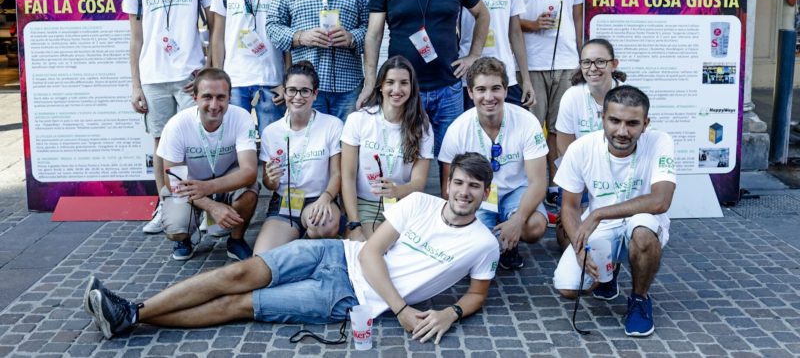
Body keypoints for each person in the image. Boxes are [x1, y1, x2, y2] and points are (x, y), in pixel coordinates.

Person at [84, 153, 500, 345]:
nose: (464, 192)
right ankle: (132, 313)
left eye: (474, 187)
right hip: (336, 255)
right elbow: (372, 253)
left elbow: (477, 292)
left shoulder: (483, 243)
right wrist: (404, 310)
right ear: (449, 184)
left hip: (345, 297)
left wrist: (451, 312)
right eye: (459, 183)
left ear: (485, 193)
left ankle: (130, 318)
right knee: (235, 274)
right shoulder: (418, 203)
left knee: (240, 305)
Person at [360, 0, 491, 194]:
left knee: (453, 162)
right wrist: (371, 81)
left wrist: (473, 56)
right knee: (402, 162)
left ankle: (450, 215)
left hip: (447, 88)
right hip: (403, 91)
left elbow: (482, 15)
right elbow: (373, 33)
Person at [553, 85, 676, 338]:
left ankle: (640, 300)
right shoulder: (581, 148)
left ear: (645, 123)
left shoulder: (660, 141)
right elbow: (570, 206)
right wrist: (580, 249)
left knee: (641, 232)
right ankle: (608, 275)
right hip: (603, 226)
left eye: (632, 123)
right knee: (567, 287)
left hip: (642, 220)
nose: (622, 131)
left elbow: (661, 200)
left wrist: (598, 213)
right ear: (602, 119)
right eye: (614, 121)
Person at [121, 0, 214, 235]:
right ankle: (165, 204)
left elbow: (214, 29)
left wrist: (207, 74)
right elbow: (135, 40)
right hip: (154, 77)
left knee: (197, 143)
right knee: (162, 145)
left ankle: (202, 206)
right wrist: (135, 85)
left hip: (190, 78)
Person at [438, 57, 549, 271]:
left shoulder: (526, 121)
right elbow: (447, 188)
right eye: (481, 89)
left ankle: (509, 236)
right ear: (470, 93)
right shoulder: (458, 128)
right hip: (478, 195)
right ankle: (499, 240)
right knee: (474, 247)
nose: (489, 97)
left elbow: (538, 183)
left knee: (533, 227)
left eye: (495, 88)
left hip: (516, 190)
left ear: (506, 90)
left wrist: (517, 220)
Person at [507, 0, 583, 199]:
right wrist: (533, 24)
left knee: (559, 128)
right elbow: (510, 20)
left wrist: (580, 58)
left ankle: (555, 185)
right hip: (531, 64)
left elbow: (577, 19)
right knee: (530, 128)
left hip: (566, 62)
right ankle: (529, 184)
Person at [155, 68, 259, 261]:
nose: (214, 105)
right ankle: (185, 237)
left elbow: (249, 171)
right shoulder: (176, 125)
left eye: (221, 97)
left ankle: (236, 240)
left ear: (229, 97)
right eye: (207, 97)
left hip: (223, 180)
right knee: (177, 228)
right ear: (195, 97)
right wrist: (211, 205)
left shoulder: (242, 117)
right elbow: (173, 182)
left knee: (249, 191)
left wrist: (209, 187)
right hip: (188, 183)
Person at [210, 0, 287, 137]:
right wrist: (219, 79)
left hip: (271, 80)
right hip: (235, 81)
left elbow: (287, 35)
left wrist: (286, 80)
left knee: (273, 148)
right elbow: (217, 35)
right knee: (234, 146)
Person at [254, 62, 344, 253]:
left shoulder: (332, 125)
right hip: (284, 202)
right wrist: (271, 179)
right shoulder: (271, 132)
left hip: (318, 198)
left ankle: (307, 244)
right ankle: (297, 239)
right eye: (292, 90)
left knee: (323, 226)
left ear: (315, 94)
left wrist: (326, 198)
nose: (297, 97)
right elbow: (268, 185)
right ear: (284, 92)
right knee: (262, 257)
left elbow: (337, 174)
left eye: (305, 91)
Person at [341, 56, 434, 240]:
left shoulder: (422, 126)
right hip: (366, 204)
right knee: (371, 249)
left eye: (404, 83)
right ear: (380, 86)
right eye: (390, 82)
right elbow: (348, 176)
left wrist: (396, 191)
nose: (397, 89)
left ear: (412, 88)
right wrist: (354, 222)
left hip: (402, 203)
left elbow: (418, 182)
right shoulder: (359, 120)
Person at [553, 38, 626, 250]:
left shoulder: (628, 95)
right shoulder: (572, 96)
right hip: (582, 176)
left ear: (614, 64)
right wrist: (588, 177)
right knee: (569, 242)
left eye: (600, 62)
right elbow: (563, 146)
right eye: (586, 62)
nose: (592, 68)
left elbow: (637, 146)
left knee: (616, 237)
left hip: (619, 176)